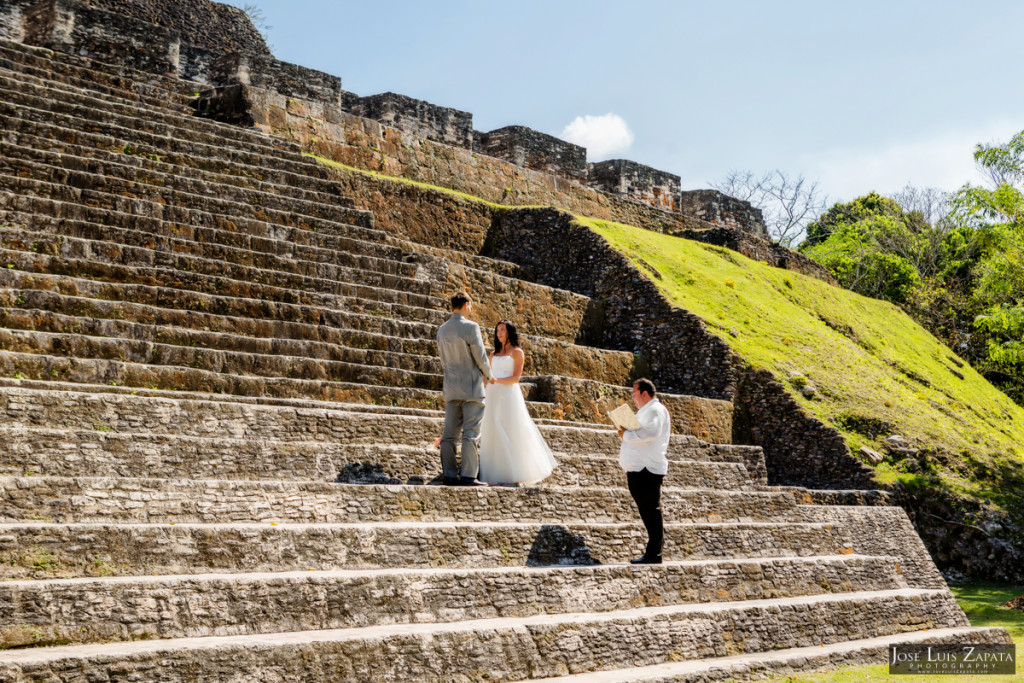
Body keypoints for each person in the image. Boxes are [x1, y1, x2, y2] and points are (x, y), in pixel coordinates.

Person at [478, 320, 557, 486]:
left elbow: (515, 378)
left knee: (511, 430)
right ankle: (493, 474)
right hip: (493, 395)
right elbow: (487, 377)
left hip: (509, 395)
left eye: (502, 330)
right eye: (497, 330)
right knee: (492, 429)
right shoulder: (492, 354)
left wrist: (496, 380)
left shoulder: (517, 352)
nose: (499, 333)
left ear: (510, 332)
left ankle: (515, 474)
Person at [436, 292, 494, 486]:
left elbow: (443, 360)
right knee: (471, 432)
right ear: (467, 304)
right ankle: (469, 475)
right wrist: (489, 375)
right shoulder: (471, 327)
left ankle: (450, 475)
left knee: (449, 434)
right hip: (471, 387)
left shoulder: (442, 330)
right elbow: (480, 356)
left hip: (451, 386)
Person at [617, 378, 671, 564]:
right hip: (640, 467)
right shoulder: (646, 411)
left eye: (634, 394)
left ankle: (654, 554)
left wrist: (626, 434)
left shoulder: (655, 410)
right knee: (648, 512)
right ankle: (653, 553)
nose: (632, 398)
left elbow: (651, 433)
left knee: (652, 512)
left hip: (646, 468)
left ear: (645, 393)